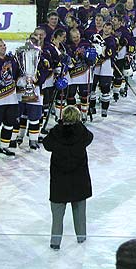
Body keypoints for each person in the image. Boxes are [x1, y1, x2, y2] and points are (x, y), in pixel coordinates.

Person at [43, 105, 93, 250]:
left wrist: (59, 126)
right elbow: (90, 138)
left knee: (57, 216)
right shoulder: (82, 133)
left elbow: (47, 145)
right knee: (80, 213)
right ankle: (81, 237)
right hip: (79, 181)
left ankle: (55, 242)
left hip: (59, 182)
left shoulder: (56, 133)